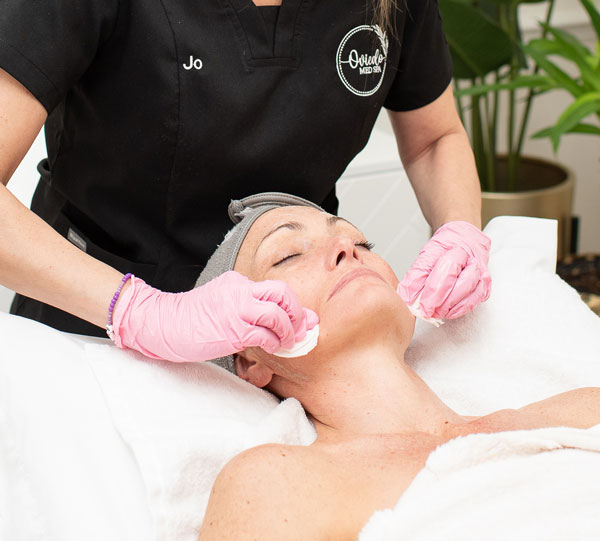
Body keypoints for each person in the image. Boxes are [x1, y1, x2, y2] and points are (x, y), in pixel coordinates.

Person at [0, 0, 491, 365]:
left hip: (289, 345)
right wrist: (142, 313)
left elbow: (434, 139)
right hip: (91, 331)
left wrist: (460, 229)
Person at [191, 198, 600, 541]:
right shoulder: (276, 486)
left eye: (363, 243)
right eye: (288, 255)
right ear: (249, 358)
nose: (345, 248)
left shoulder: (580, 411)